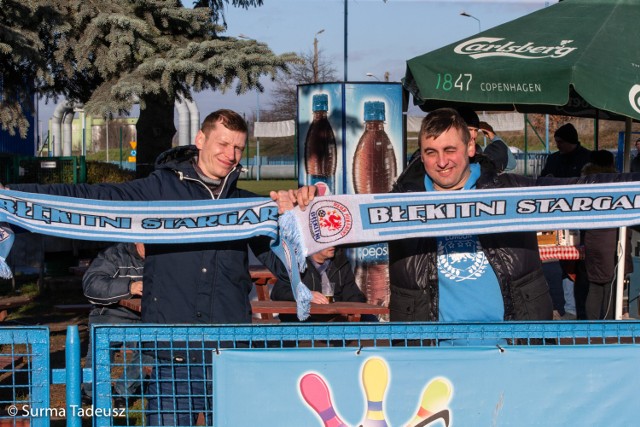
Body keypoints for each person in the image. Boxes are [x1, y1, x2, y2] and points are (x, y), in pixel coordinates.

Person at [2, 109, 310, 425]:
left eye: (238, 148)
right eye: (223, 144)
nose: (231, 155)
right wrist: (13, 197)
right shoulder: (159, 189)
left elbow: (292, 265)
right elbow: (92, 197)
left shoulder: (248, 205)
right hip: (171, 353)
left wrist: (299, 220)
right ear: (200, 139)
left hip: (228, 354)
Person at [81, 242, 153, 407]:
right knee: (100, 351)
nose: (151, 247)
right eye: (147, 242)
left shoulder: (161, 258)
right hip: (110, 313)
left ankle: (123, 391)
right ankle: (91, 391)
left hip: (145, 317)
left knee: (152, 349)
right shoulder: (114, 255)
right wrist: (129, 287)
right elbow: (92, 284)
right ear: (136, 240)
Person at [540, 123, 592, 320]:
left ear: (570, 140)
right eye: (556, 142)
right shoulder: (554, 158)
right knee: (560, 264)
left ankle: (576, 308)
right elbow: (542, 179)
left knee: (578, 266)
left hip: (580, 219)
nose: (558, 145)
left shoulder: (586, 157)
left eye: (560, 142)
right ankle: (567, 307)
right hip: (557, 217)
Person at [581, 150, 633, 319]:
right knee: (611, 287)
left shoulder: (585, 183)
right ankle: (608, 327)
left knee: (595, 286)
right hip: (612, 241)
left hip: (592, 240)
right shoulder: (615, 184)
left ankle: (592, 327)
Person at [271, 246, 376, 322]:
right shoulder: (296, 263)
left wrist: (348, 313)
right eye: (327, 241)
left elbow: (353, 294)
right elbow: (278, 292)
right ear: (313, 242)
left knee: (371, 321)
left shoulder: (340, 262)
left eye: (334, 240)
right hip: (304, 322)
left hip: (335, 320)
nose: (333, 245)